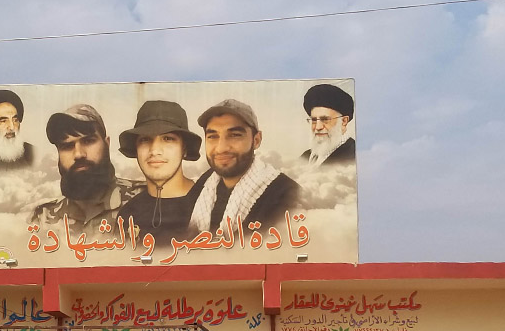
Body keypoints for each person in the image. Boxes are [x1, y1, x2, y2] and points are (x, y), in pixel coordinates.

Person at [188, 99, 301, 234]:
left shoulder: (286, 195)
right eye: (213, 136)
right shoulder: (205, 182)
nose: (221, 148)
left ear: (256, 140)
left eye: (235, 135)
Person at [31, 104, 142, 236]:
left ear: (107, 144)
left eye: (88, 141)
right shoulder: (43, 219)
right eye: (67, 146)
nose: (78, 154)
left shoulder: (144, 201)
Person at [116, 101, 203, 244]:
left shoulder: (211, 206)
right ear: (136, 148)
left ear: (184, 149)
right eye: (145, 140)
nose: (154, 151)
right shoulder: (127, 215)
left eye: (168, 139)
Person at [300, 83, 355, 167]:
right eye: (314, 120)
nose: (318, 127)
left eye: (325, 119)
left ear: (344, 121)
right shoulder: (305, 156)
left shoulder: (353, 155)